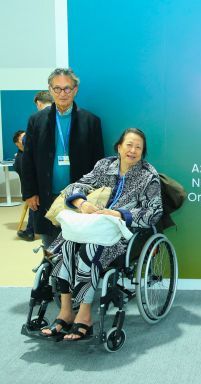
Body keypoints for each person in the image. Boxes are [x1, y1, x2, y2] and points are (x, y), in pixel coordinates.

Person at [41, 128, 163, 340]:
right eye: (129, 145)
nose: (133, 150)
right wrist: (82, 202)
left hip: (123, 232)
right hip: (94, 224)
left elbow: (154, 212)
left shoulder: (148, 176)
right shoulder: (104, 166)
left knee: (89, 250)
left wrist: (117, 213)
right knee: (67, 246)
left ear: (143, 152)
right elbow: (75, 186)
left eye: (138, 147)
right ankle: (66, 311)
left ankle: (85, 315)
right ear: (119, 146)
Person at [22, 68, 104, 249]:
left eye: (67, 88)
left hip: (79, 198)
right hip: (45, 195)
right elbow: (27, 159)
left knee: (77, 247)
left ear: (75, 90)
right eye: (57, 88)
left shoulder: (91, 121)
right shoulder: (36, 120)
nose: (62, 93)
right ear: (50, 90)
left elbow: (99, 163)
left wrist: (93, 195)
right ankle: (52, 278)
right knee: (50, 247)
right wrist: (29, 192)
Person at [12, 130, 35, 241]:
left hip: (38, 187)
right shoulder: (20, 159)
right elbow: (27, 178)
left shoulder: (28, 153)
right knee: (34, 207)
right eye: (23, 139)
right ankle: (30, 231)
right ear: (18, 144)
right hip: (31, 189)